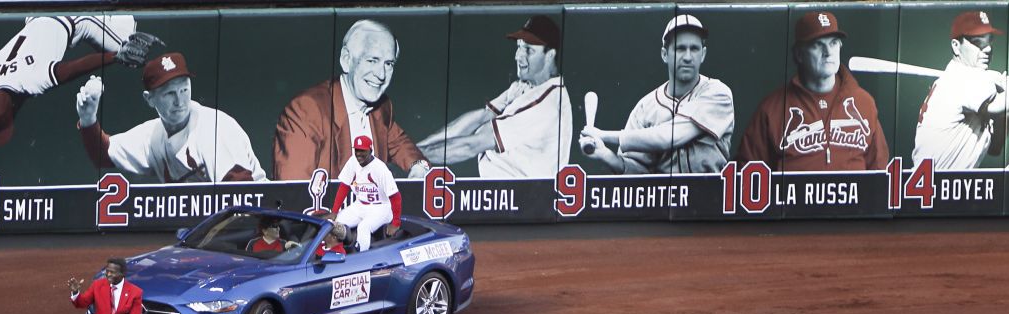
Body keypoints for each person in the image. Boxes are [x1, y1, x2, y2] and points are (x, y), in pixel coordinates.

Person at [0, 12, 144, 145]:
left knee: (130, 49)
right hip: (36, 17)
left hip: (75, 18)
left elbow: (73, 69)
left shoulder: (30, 80)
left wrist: (115, 55)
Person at [273, 18, 429, 180]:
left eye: (388, 64)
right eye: (372, 60)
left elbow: (403, 147)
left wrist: (419, 168)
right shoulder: (305, 110)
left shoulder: (382, 107)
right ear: (346, 60)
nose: (381, 75)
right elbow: (294, 193)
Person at [72, 51, 264, 182]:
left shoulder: (213, 128)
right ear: (150, 99)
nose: (180, 101)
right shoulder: (154, 135)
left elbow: (240, 191)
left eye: (184, 90)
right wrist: (88, 119)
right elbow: (104, 155)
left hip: (262, 223)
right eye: (170, 93)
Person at [421, 14, 573, 179]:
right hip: (506, 194)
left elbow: (471, 145)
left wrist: (413, 157)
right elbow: (480, 118)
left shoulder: (547, 105)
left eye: (528, 50)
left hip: (526, 199)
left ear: (550, 55)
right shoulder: (525, 86)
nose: (518, 56)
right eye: (519, 46)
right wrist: (413, 149)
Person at [579, 14, 733, 175]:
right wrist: (606, 155)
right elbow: (637, 174)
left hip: (710, 193)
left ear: (703, 54)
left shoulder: (718, 93)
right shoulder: (646, 107)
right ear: (664, 54)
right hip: (664, 197)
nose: (688, 57)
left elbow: (671, 136)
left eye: (694, 49)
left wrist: (603, 135)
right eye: (680, 48)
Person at [735, 11, 887, 171]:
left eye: (833, 43)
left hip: (853, 196)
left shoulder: (863, 103)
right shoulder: (772, 109)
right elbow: (747, 175)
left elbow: (880, 172)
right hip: (793, 196)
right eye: (818, 44)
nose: (828, 52)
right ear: (799, 54)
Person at [912, 11, 1009, 170]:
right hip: (932, 186)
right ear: (956, 46)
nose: (987, 49)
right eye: (978, 42)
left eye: (989, 41)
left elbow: (995, 149)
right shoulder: (961, 78)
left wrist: (1006, 103)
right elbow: (1004, 107)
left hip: (943, 185)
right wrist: (1006, 92)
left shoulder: (969, 80)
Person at [327, 134, 399, 252]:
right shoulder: (353, 161)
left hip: (381, 208)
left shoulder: (380, 168)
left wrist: (396, 222)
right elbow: (344, 186)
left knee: (364, 227)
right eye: (357, 150)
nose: (359, 154)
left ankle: (361, 260)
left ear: (371, 150)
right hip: (360, 205)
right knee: (336, 224)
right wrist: (335, 211)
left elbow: (396, 197)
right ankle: (336, 252)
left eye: (362, 150)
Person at [66, 257, 141, 314]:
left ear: (122, 274)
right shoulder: (97, 285)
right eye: (107, 271)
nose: (108, 274)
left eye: (112, 272)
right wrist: (75, 292)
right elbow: (82, 303)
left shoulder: (135, 292)